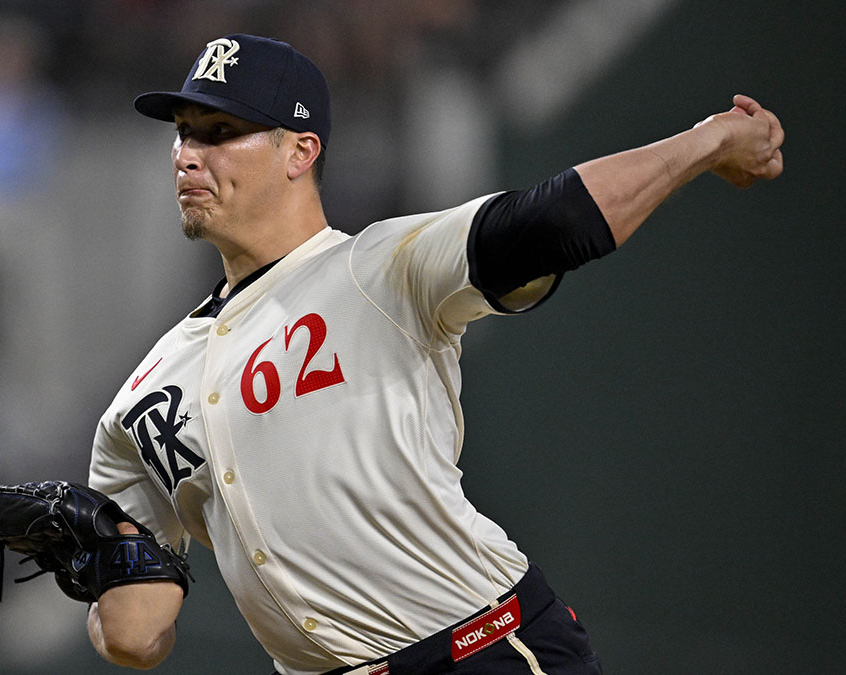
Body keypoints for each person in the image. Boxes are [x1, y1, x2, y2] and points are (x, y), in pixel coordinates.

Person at [84, 34, 783, 674]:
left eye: (221, 131)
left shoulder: (379, 268)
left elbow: (556, 220)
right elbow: (136, 636)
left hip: (480, 650)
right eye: (183, 134)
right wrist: (96, 557)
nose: (188, 154)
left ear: (300, 150)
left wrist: (710, 140)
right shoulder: (141, 398)